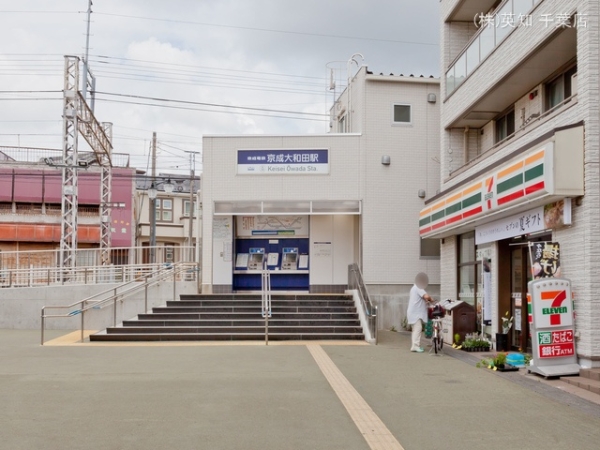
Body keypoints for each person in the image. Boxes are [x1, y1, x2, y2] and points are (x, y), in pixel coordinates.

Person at [406, 272, 433, 353]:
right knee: (418, 328)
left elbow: (421, 298)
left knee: (416, 329)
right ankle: (415, 346)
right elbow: (426, 296)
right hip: (415, 313)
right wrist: (431, 299)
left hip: (413, 312)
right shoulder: (419, 287)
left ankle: (414, 346)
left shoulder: (414, 287)